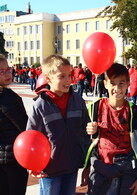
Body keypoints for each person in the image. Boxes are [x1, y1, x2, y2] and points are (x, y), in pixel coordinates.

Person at [26, 54, 91, 195]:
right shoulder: (40, 105)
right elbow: (31, 137)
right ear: (48, 78)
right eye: (62, 76)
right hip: (49, 168)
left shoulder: (78, 101)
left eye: (69, 75)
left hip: (72, 164)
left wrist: (87, 160)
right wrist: (31, 164)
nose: (68, 80)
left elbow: (84, 132)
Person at [84, 63, 137, 195]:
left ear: (128, 83)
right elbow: (87, 142)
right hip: (101, 170)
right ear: (105, 83)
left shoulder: (135, 112)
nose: (117, 88)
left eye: (121, 83)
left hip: (127, 172)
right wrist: (86, 166)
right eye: (112, 83)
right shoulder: (94, 108)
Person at [0, 54, 29, 195]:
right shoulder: (7, 98)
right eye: (1, 71)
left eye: (8, 69)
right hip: (12, 159)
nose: (7, 73)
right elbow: (24, 127)